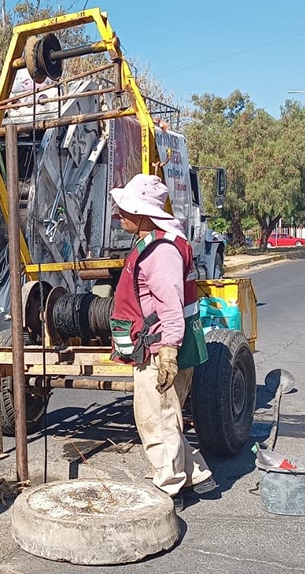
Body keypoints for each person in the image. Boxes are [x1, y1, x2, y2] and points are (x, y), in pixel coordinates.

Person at [108, 173, 217, 511]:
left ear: (144, 213)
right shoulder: (159, 241)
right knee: (167, 415)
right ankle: (198, 475)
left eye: (125, 208)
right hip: (162, 343)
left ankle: (169, 488)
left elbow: (170, 304)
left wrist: (167, 353)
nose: (119, 214)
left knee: (156, 419)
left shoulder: (161, 251)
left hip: (161, 347)